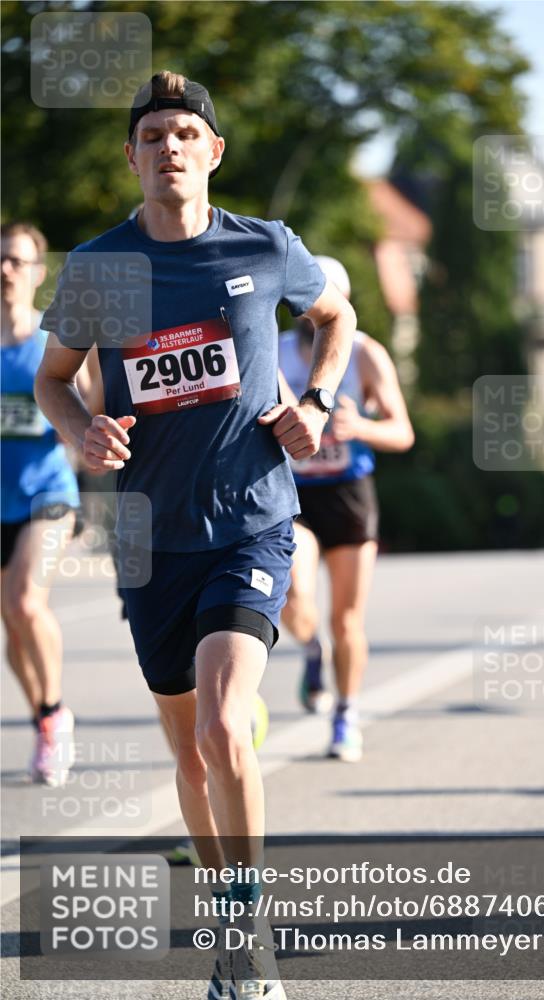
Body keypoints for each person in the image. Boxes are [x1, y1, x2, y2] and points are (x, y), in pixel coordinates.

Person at [34, 72, 355, 1000]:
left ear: (212, 152)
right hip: (148, 536)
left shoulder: (266, 245)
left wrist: (316, 401)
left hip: (252, 521)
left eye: (184, 134)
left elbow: (335, 316)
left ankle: (250, 938)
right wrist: (80, 429)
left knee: (222, 724)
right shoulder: (99, 267)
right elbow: (54, 377)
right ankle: (227, 925)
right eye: (152, 136)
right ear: (131, 156)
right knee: (187, 750)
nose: (168, 147)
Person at [279, 256, 414, 761]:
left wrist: (360, 429)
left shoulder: (365, 354)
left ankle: (346, 714)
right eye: (305, 298)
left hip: (349, 494)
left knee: (347, 620)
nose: (312, 309)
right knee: (294, 594)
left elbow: (403, 432)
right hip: (293, 492)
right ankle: (312, 650)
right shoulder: (272, 349)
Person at [1, 222, 80, 787]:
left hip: (48, 494)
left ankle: (54, 716)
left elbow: (90, 407)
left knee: (27, 603)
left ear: (36, 272)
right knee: (13, 633)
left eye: (15, 260)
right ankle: (43, 720)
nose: (5, 270)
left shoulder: (55, 339)